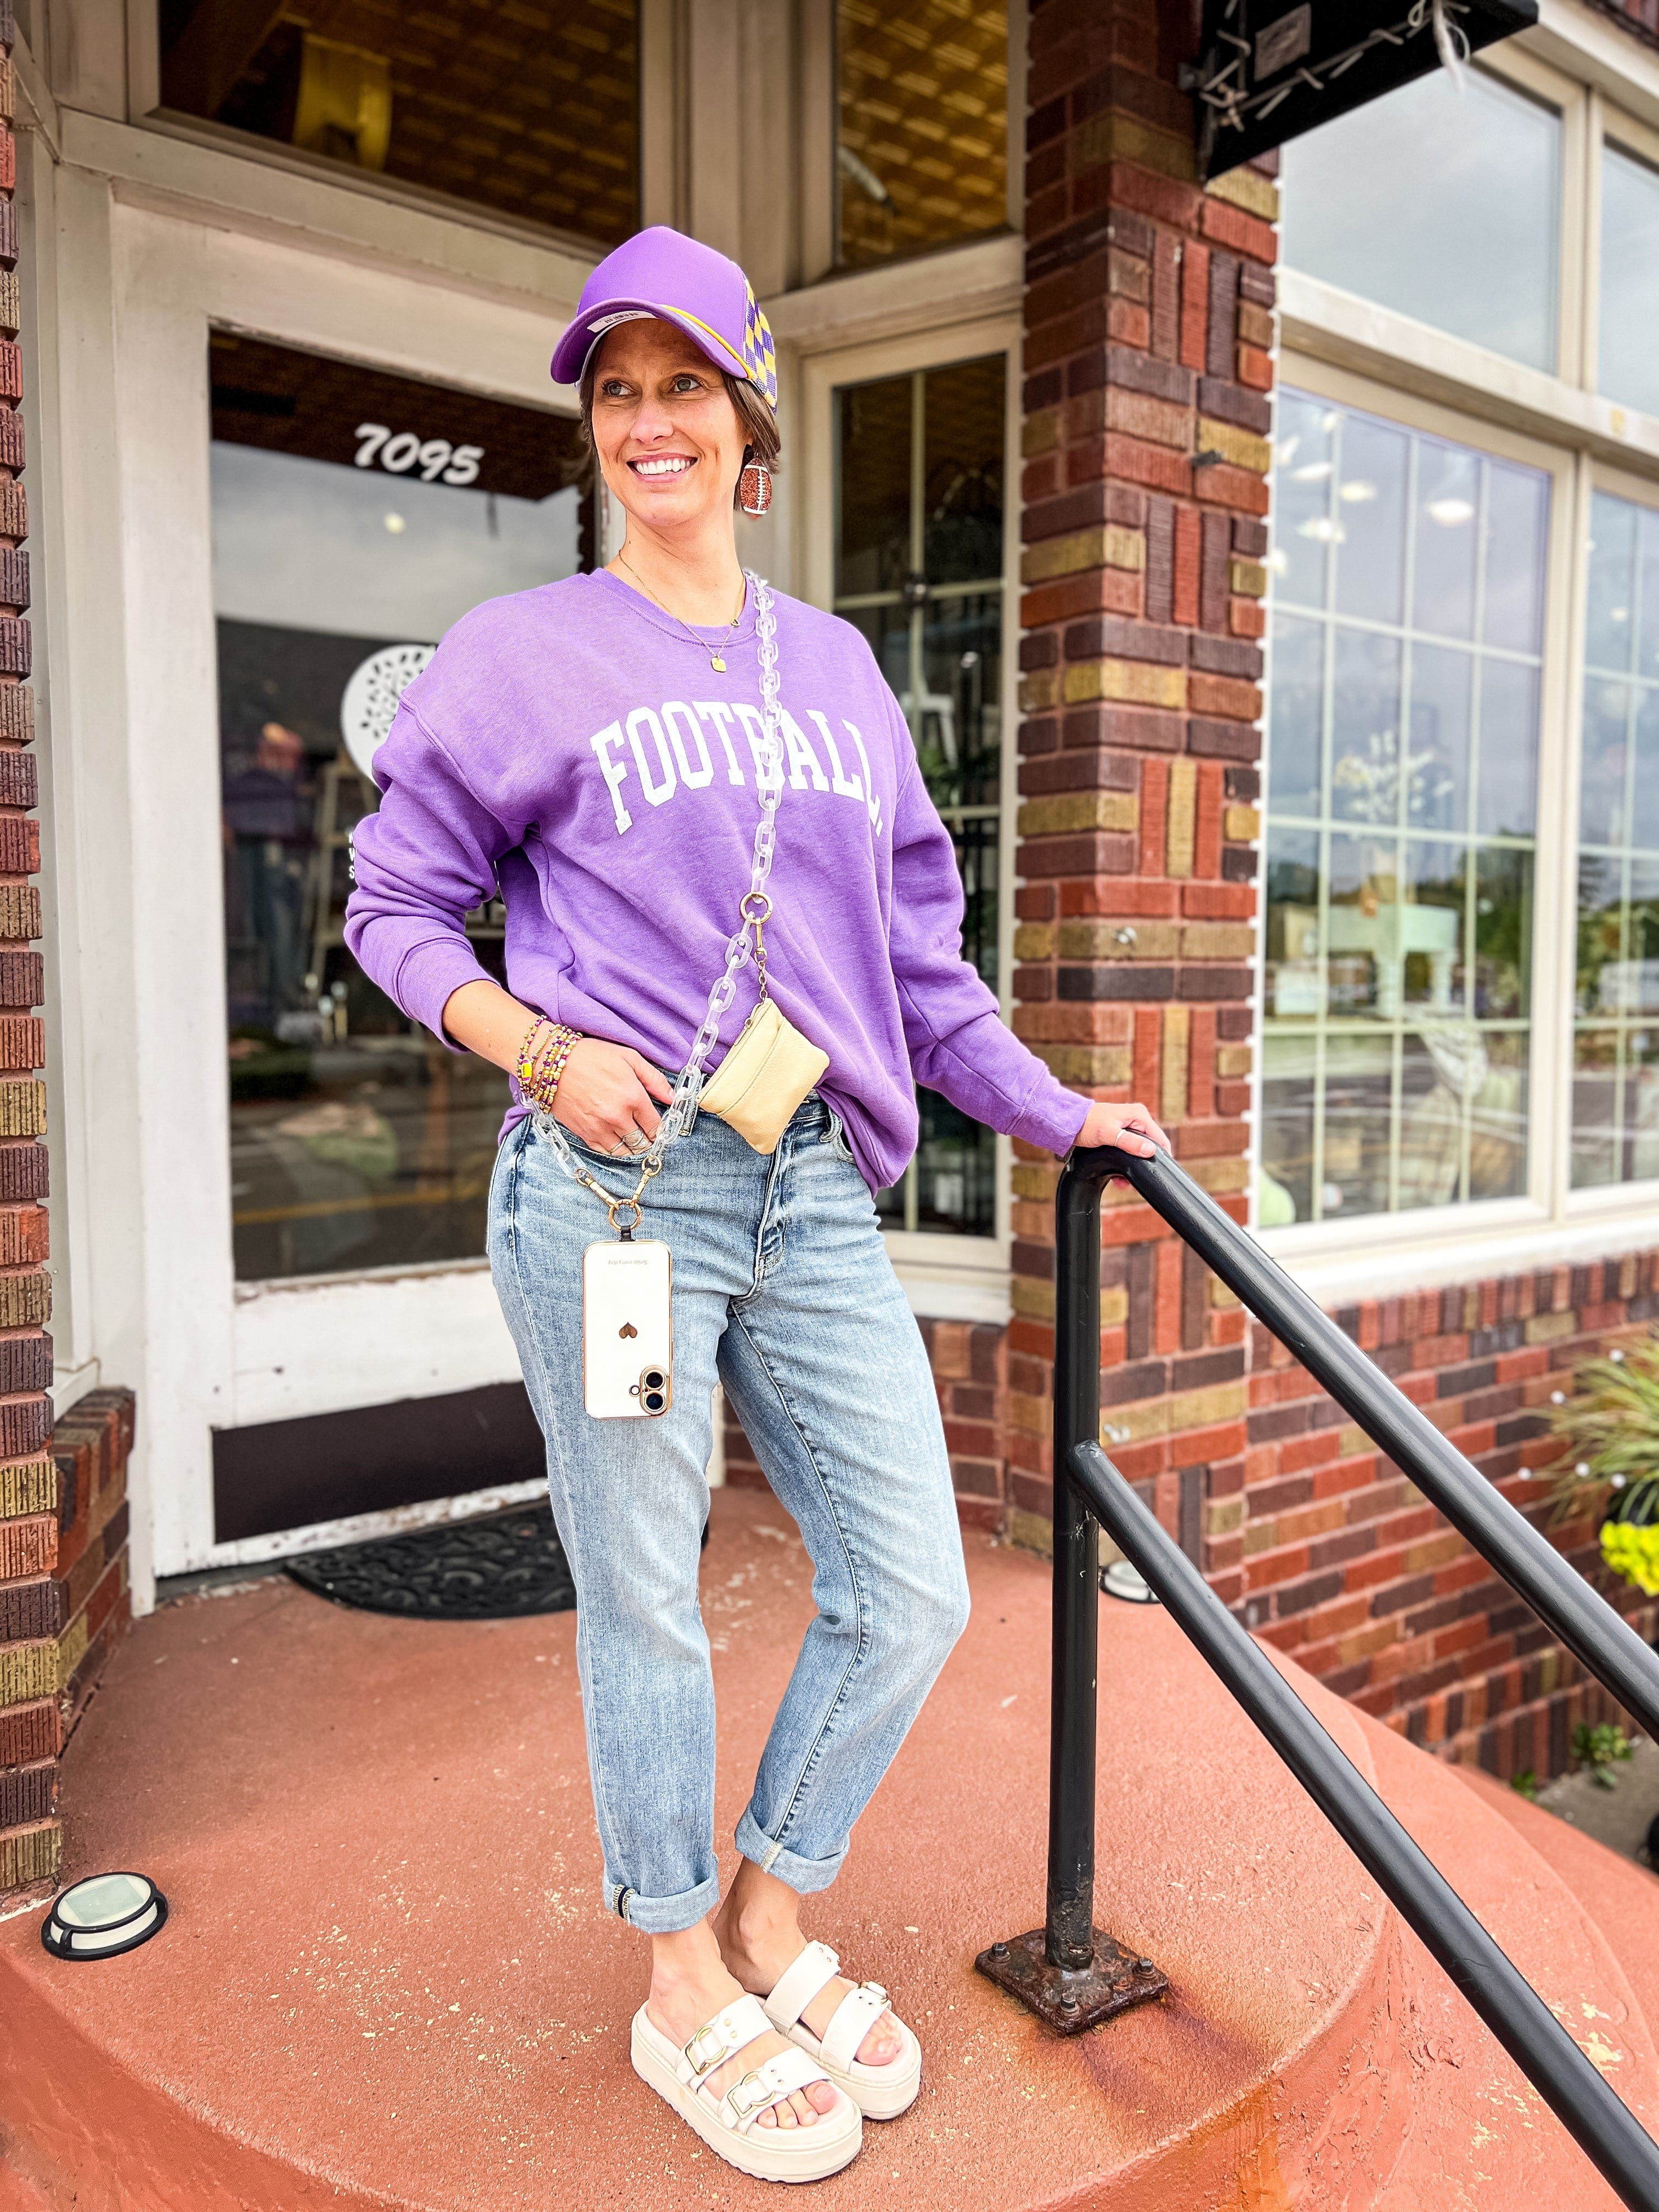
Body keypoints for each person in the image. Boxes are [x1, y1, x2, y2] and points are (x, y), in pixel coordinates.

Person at [345, 225, 1167, 2185]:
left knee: (914, 1583)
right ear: (593, 430)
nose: (649, 422)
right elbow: (392, 911)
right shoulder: (517, 658)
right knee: (647, 1592)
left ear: (749, 418)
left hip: (807, 1189)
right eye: (615, 391)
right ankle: (675, 1979)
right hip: (619, 1198)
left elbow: (922, 965)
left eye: (684, 385)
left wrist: (1056, 1115)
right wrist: (537, 1050)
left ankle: (773, 1912)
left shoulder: (843, 669)